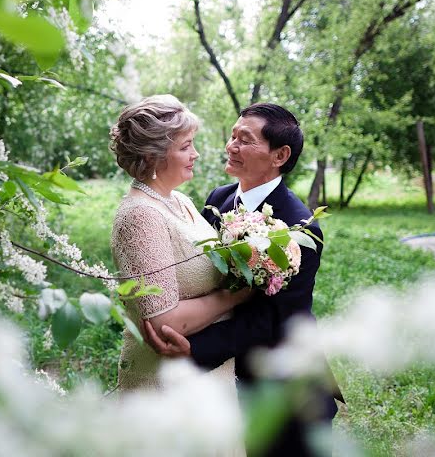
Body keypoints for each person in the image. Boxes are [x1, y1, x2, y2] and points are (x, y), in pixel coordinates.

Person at [142, 103, 342, 457]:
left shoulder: (300, 228)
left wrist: (195, 349)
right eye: (232, 136)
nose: (231, 146)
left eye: (244, 140)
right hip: (224, 378)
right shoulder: (218, 200)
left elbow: (270, 318)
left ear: (280, 155)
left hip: (281, 384)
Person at [108, 95, 252, 405]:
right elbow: (165, 324)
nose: (195, 154)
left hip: (208, 377)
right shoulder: (140, 216)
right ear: (152, 156)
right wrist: (237, 295)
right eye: (185, 146)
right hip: (166, 390)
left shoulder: (180, 201)